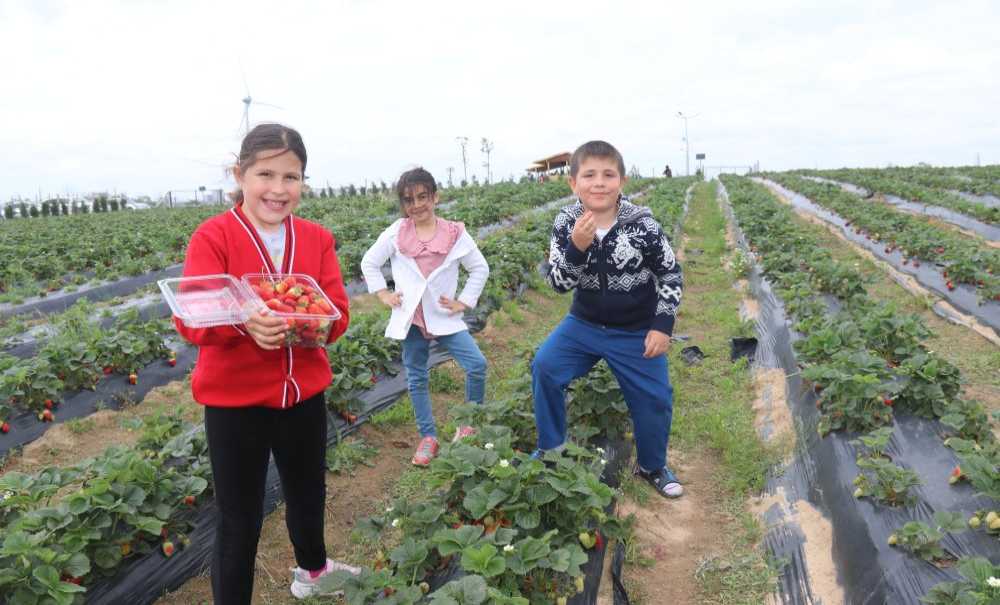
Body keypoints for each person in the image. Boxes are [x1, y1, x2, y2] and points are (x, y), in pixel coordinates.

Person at [174, 123, 356, 603]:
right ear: (240, 174)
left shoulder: (316, 239)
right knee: (239, 515)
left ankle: (312, 573)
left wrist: (314, 321)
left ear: (303, 182)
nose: (278, 189)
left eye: (291, 177)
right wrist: (244, 324)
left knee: (307, 492)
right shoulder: (214, 236)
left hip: (303, 394)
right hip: (235, 402)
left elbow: (337, 311)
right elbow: (192, 318)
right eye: (265, 174)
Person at [531, 140, 685, 498]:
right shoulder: (566, 222)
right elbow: (558, 283)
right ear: (573, 183)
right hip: (583, 326)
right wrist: (576, 248)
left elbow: (670, 275)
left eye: (608, 174)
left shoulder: (642, 224)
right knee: (546, 367)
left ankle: (652, 466)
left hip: (635, 329)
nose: (598, 183)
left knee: (655, 399)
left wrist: (662, 326)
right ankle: (550, 450)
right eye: (589, 175)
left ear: (622, 180)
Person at [361, 167, 489, 466]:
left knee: (476, 364)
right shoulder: (397, 232)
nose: (416, 205)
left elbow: (479, 268)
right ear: (403, 204)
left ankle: (468, 426)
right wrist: (383, 294)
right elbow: (369, 262)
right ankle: (428, 437)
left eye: (422, 197)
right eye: (409, 200)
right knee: (417, 375)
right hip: (412, 318)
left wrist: (464, 301)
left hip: (443, 316)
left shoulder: (454, 233)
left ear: (435, 197)